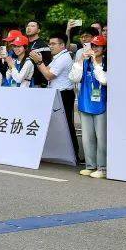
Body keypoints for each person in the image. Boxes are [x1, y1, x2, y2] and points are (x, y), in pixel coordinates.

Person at [35, 35, 81, 165]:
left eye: (54, 43)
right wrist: (42, 64)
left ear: (62, 45)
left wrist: (39, 62)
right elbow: (47, 71)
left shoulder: (64, 58)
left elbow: (48, 75)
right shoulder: (58, 57)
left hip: (64, 94)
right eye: (49, 43)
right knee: (59, 124)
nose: (51, 46)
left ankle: (74, 155)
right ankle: (63, 153)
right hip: (57, 93)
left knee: (67, 124)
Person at [70, 34, 107, 178]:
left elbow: (104, 80)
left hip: (101, 104)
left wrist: (96, 63)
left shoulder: (106, 62)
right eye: (93, 46)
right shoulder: (84, 62)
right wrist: (80, 60)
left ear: (104, 48)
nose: (95, 48)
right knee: (87, 138)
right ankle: (90, 166)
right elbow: (74, 78)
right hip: (85, 103)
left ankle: (102, 168)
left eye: (98, 46)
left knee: (101, 137)